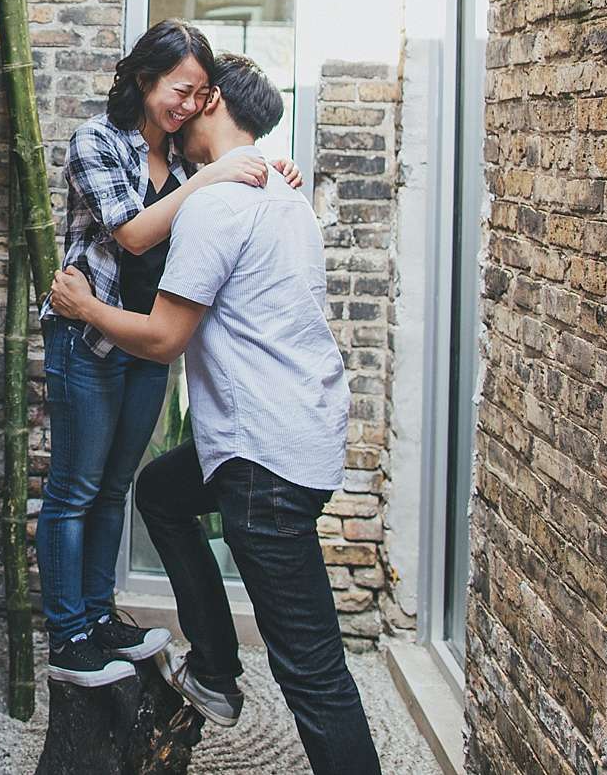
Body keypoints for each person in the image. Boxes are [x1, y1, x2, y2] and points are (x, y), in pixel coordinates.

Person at [50, 53, 380, 775]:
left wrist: (85, 306)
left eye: (196, 96)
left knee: (313, 672)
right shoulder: (282, 192)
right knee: (162, 492)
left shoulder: (218, 203)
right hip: (290, 434)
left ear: (215, 102)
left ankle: (221, 671)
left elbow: (165, 338)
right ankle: (216, 670)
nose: (180, 113)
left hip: (264, 457)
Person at [35, 20, 300, 688]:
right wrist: (208, 181)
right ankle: (68, 635)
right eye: (180, 90)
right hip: (86, 334)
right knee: (74, 489)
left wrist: (273, 168)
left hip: (145, 342)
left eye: (200, 94)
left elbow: (228, 175)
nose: (188, 106)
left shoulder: (185, 156)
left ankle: (99, 617)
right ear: (143, 78)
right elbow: (131, 234)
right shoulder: (97, 140)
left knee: (115, 488)